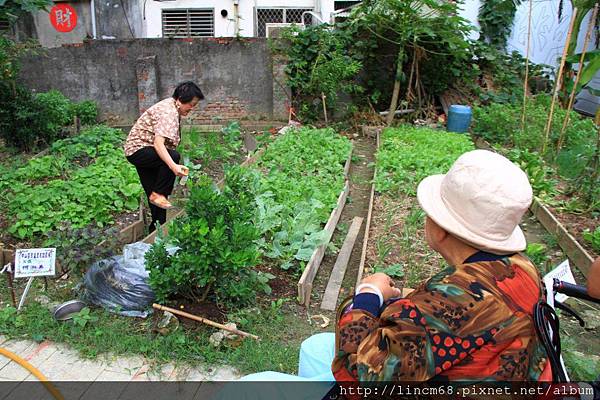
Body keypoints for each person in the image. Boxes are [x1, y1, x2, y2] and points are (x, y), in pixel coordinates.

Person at [332, 149, 550, 382]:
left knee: (316, 350)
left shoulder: (454, 301)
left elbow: (357, 377)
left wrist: (369, 294)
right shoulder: (524, 268)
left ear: (441, 228)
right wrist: (408, 296)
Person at [124, 81, 204, 230]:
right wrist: (173, 167)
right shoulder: (169, 112)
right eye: (191, 104)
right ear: (180, 99)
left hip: (139, 151)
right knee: (173, 157)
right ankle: (159, 194)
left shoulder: (171, 105)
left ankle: (156, 233)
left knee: (156, 197)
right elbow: (159, 144)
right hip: (140, 150)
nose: (192, 109)